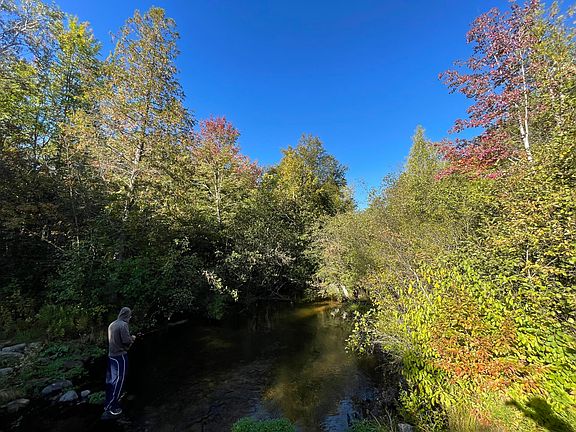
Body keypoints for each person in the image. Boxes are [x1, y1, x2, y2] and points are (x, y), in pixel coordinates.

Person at [103, 306, 136, 418]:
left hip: (111, 356)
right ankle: (112, 407)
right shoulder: (123, 325)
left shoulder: (112, 324)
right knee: (119, 380)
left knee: (110, 381)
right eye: (130, 316)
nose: (130, 318)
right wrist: (133, 338)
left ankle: (108, 402)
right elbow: (126, 341)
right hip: (119, 356)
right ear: (127, 315)